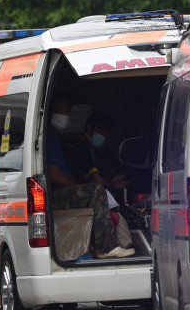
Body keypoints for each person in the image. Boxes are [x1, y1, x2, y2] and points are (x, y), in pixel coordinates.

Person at [46, 96, 134, 259]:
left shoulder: (56, 140)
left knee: (94, 190)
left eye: (66, 111)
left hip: (60, 192)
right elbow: (55, 175)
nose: (63, 115)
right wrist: (79, 186)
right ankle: (106, 247)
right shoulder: (50, 140)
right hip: (52, 195)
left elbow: (66, 173)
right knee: (96, 191)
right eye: (59, 110)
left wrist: (78, 185)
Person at [66, 112, 129, 203]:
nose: (104, 136)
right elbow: (97, 180)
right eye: (102, 131)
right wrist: (112, 183)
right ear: (89, 128)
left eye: (107, 134)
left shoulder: (78, 142)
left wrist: (109, 180)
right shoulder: (84, 145)